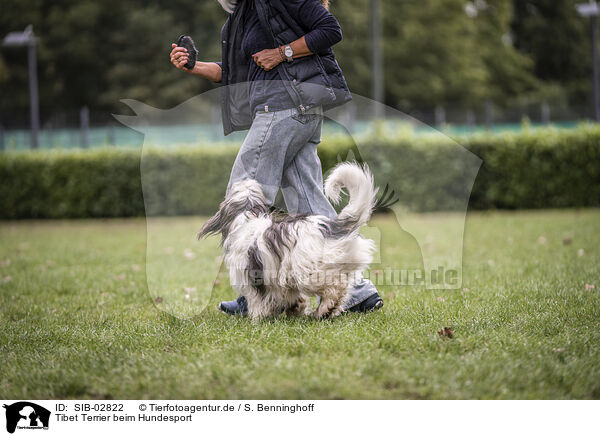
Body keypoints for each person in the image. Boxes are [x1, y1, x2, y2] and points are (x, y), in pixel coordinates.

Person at [169, 0, 383, 315]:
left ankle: (256, 291)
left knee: (242, 195)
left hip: (284, 107)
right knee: (308, 201)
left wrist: (283, 52)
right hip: (296, 111)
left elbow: (329, 30)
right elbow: (235, 75)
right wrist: (192, 66)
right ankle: (357, 289)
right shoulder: (241, 17)